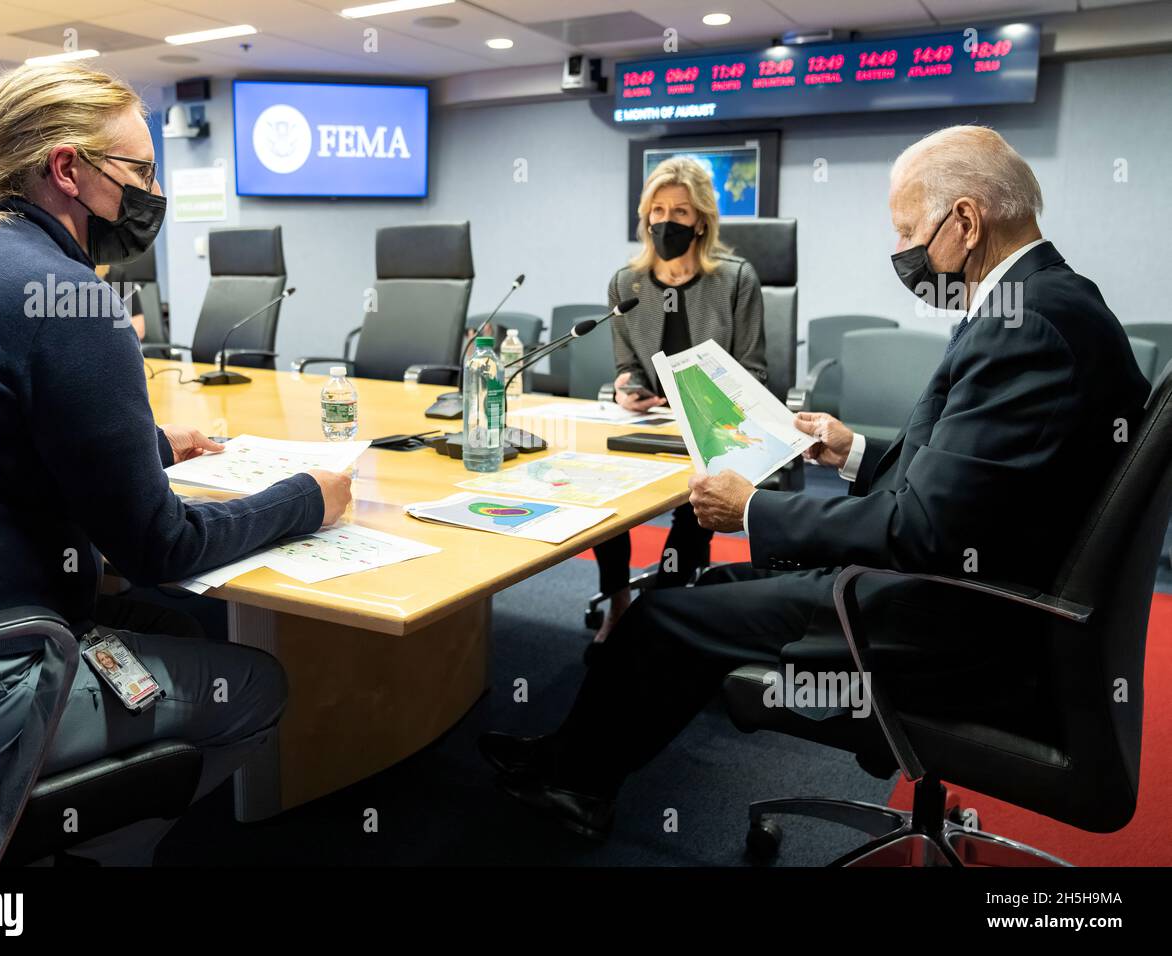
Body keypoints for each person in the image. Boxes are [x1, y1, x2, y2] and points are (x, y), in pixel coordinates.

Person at [479, 125, 1150, 841]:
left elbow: (923, 530)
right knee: (700, 595)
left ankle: (577, 787)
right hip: (984, 590)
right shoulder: (1054, 301)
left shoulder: (1027, 326)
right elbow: (968, 474)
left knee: (667, 615)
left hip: (952, 619)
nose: (900, 253)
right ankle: (569, 760)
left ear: (965, 220)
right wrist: (854, 449)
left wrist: (753, 509)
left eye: (905, 230)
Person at [0, 64, 351, 857]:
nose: (151, 192)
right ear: (68, 169)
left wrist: (157, 448)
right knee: (256, 684)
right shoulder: (69, 297)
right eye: (140, 171)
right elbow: (159, 548)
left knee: (168, 625)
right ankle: (85, 852)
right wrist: (307, 497)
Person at [591, 157, 767, 646]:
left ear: (701, 221)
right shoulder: (626, 284)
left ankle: (661, 611)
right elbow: (625, 363)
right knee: (603, 486)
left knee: (698, 497)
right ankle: (619, 601)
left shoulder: (736, 279)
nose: (667, 221)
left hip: (717, 424)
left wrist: (701, 409)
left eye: (681, 212)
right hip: (651, 422)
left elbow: (753, 371)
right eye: (658, 209)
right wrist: (628, 386)